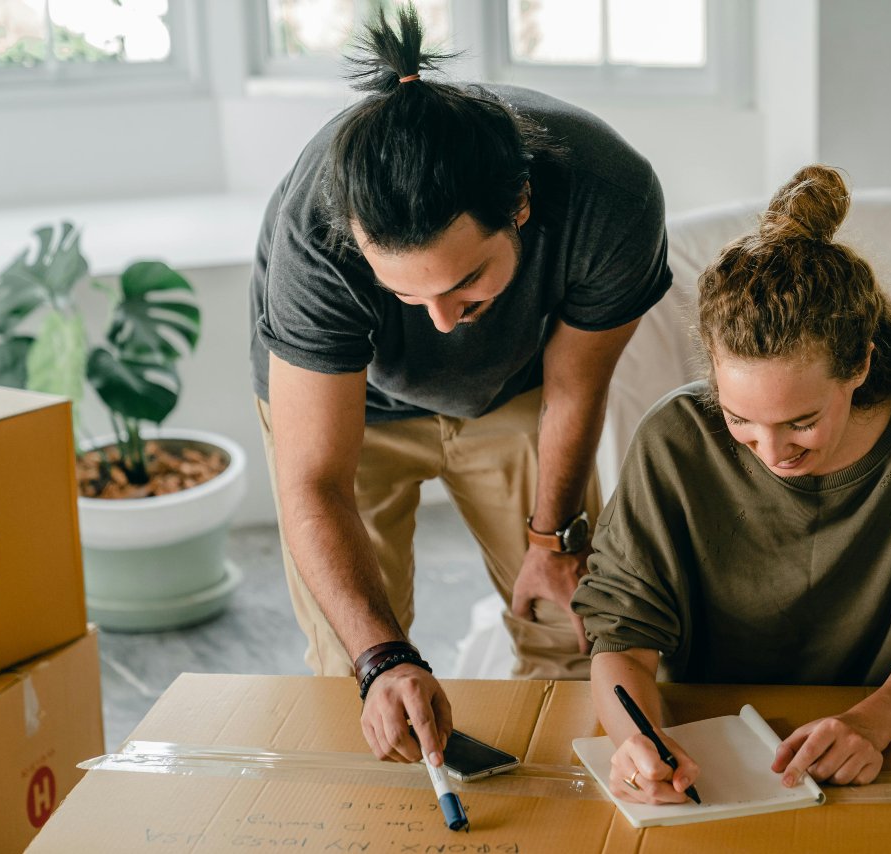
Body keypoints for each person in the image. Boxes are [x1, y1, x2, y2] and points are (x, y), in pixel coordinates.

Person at [248, 5, 671, 770]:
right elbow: (315, 480)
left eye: (467, 282)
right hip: (348, 409)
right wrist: (382, 659)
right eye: (408, 296)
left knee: (570, 629)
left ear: (519, 206)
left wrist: (552, 538)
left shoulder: (613, 198)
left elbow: (575, 390)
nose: (442, 323)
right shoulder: (313, 232)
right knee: (358, 667)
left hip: (515, 392)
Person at [571, 165, 891, 804]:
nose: (772, 453)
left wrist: (871, 722)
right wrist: (634, 740)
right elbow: (623, 636)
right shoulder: (673, 440)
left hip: (872, 744)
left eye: (801, 422)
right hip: (704, 752)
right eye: (739, 420)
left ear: (859, 362)